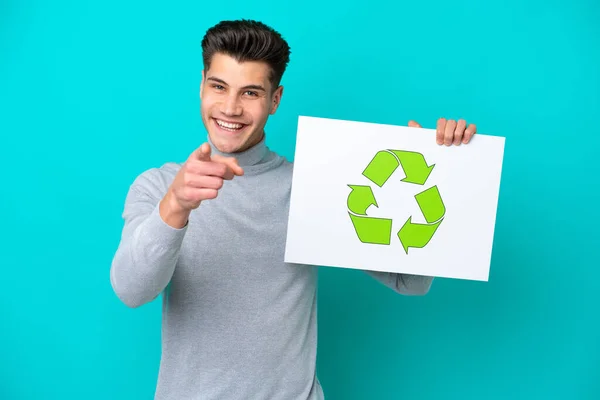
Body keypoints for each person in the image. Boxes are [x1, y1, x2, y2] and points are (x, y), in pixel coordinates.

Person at [110, 19, 478, 400]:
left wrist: (440, 172)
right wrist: (176, 207)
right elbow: (131, 289)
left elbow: (411, 282)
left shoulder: (313, 186)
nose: (231, 108)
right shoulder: (158, 186)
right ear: (202, 84)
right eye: (219, 87)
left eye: (250, 93)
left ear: (275, 100)